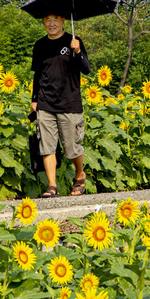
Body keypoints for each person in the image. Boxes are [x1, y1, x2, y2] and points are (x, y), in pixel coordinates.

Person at [31, 13, 91, 197]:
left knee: (72, 147)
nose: (51, 24)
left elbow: (86, 69)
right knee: (47, 146)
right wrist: (34, 98)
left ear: (63, 21)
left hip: (69, 103)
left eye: (55, 19)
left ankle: (80, 175)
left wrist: (78, 51)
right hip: (45, 102)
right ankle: (52, 186)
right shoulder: (40, 45)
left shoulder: (74, 41)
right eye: (47, 19)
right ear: (43, 22)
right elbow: (38, 74)